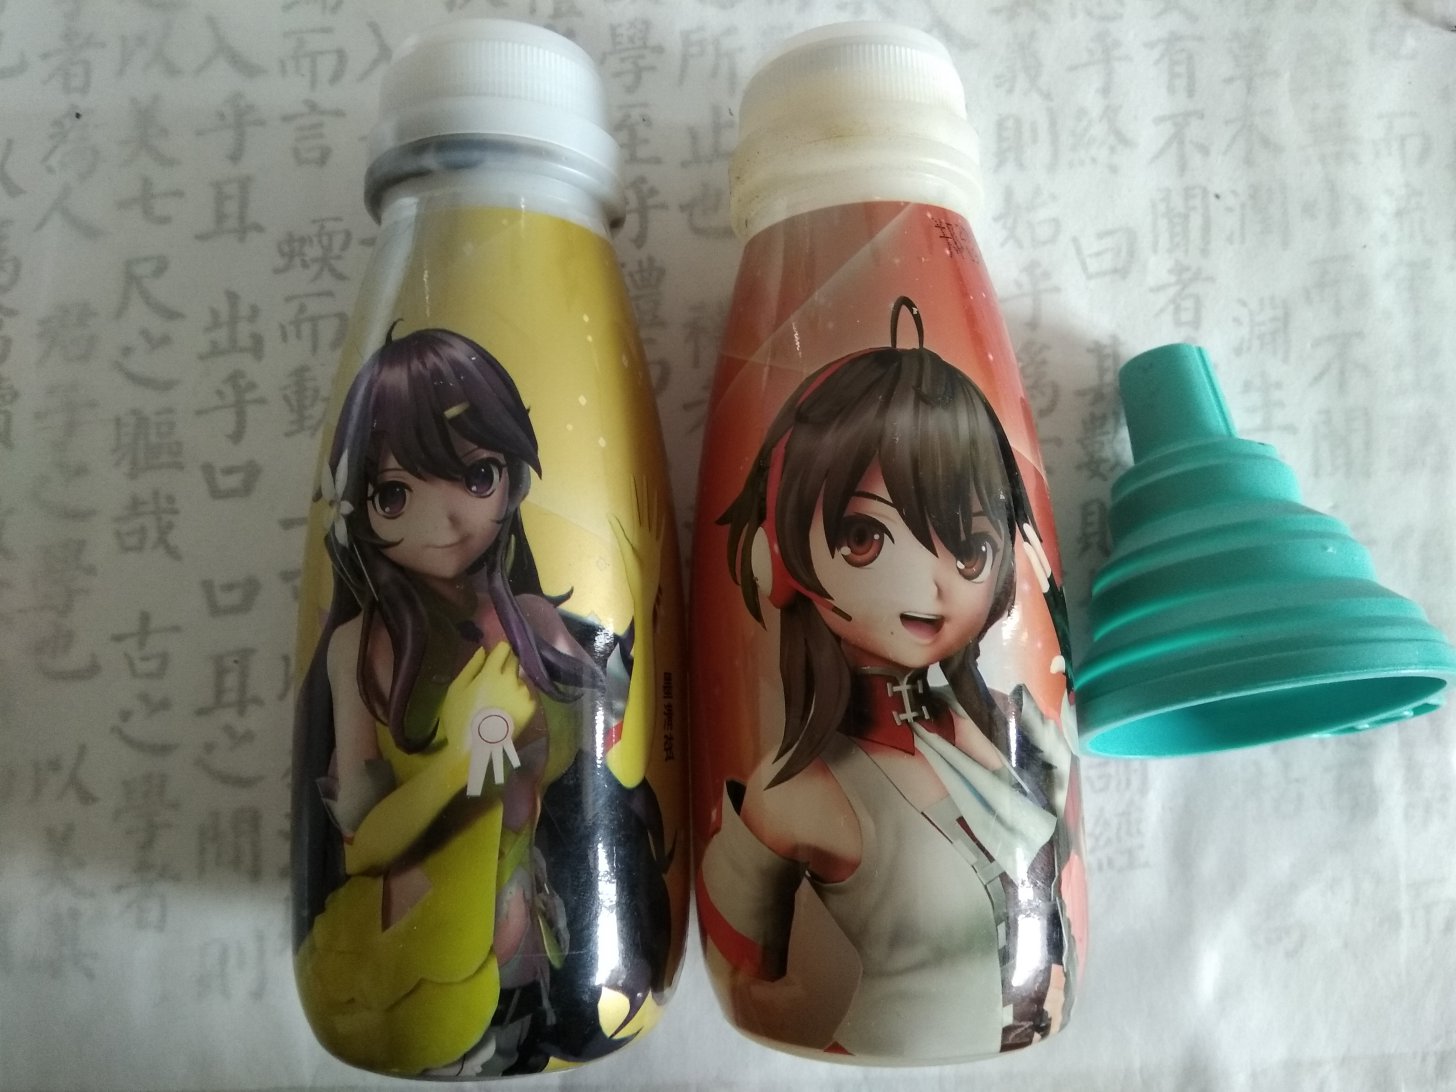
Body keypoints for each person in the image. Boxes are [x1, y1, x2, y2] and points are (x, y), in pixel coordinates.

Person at [700, 298, 1078, 1061]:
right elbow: (748, 976)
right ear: (777, 560)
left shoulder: (1010, 729)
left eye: (969, 547)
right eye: (865, 535)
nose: (930, 582)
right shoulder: (803, 789)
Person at [292, 326, 670, 1076]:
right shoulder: (358, 648)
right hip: (422, 947)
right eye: (395, 494)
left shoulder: (533, 625)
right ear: (357, 505)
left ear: (513, 481)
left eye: (476, 477)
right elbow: (364, 842)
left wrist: (628, 627)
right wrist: (455, 763)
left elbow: (608, 754)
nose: (446, 522)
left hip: (545, 929)